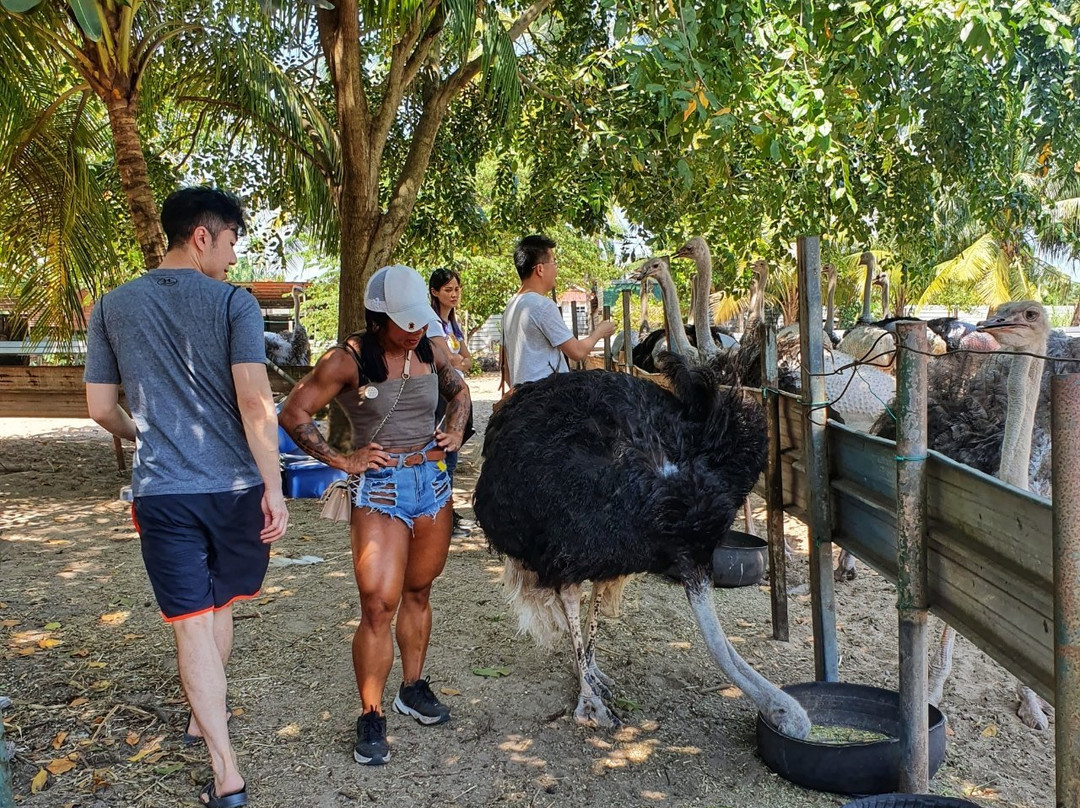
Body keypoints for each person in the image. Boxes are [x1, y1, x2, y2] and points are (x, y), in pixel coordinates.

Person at [84, 187, 288, 808]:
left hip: (163, 493)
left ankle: (214, 743)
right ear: (203, 236)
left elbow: (99, 409)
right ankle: (220, 752)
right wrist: (275, 486)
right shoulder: (234, 303)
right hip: (233, 490)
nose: (230, 258)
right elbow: (255, 403)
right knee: (218, 603)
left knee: (195, 617)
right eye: (229, 244)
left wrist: (143, 431)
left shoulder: (112, 306)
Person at [278, 265, 470, 767]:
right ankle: (371, 712)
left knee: (419, 590)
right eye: (406, 323)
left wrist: (453, 427)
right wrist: (343, 460)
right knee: (378, 605)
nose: (416, 331)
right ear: (379, 317)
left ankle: (412, 686)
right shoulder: (347, 360)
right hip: (381, 490)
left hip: (431, 484)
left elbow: (460, 392)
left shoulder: (431, 346)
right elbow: (294, 413)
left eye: (420, 321)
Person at [501, 234, 616, 390]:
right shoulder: (542, 305)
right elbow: (577, 352)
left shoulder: (512, 305)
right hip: (546, 398)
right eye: (554, 263)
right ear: (540, 269)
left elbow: (505, 364)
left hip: (523, 398)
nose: (556, 270)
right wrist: (600, 332)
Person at [428, 267, 475, 538]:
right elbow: (449, 361)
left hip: (458, 395)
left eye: (457, 289)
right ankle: (442, 516)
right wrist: (459, 361)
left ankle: (449, 514)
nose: (454, 294)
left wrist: (460, 361)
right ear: (434, 292)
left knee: (452, 456)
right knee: (442, 455)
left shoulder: (453, 326)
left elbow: (466, 360)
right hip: (441, 396)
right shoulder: (432, 323)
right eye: (448, 289)